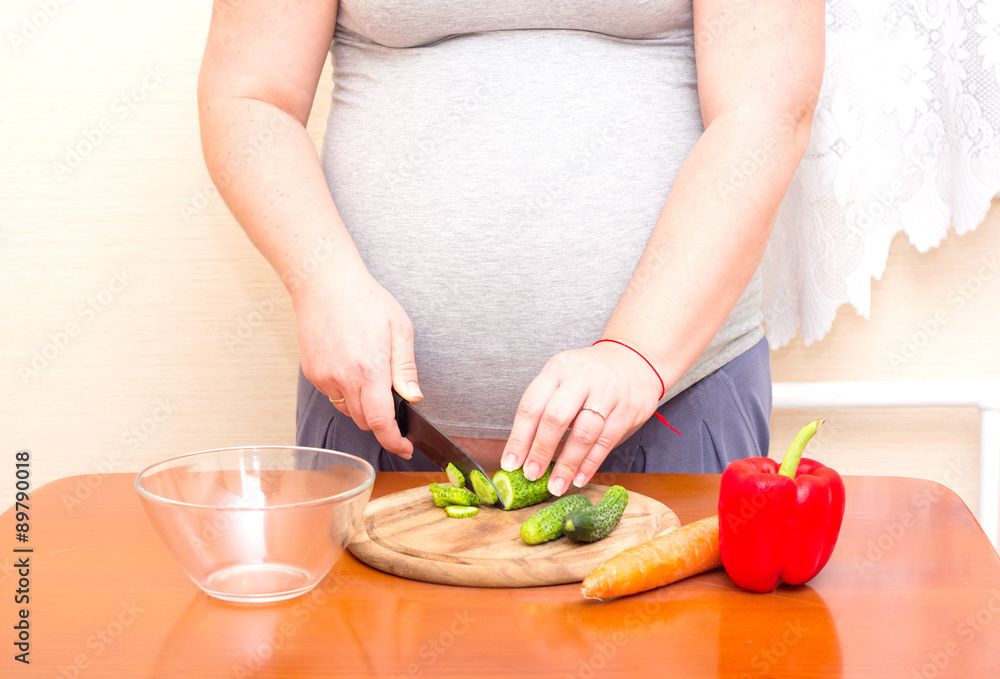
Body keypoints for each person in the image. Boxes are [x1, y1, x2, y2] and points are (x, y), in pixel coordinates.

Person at [198, 0, 824, 497]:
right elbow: (251, 96)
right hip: (373, 410)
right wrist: (323, 280)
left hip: (675, 400)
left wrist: (636, 357)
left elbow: (766, 111)